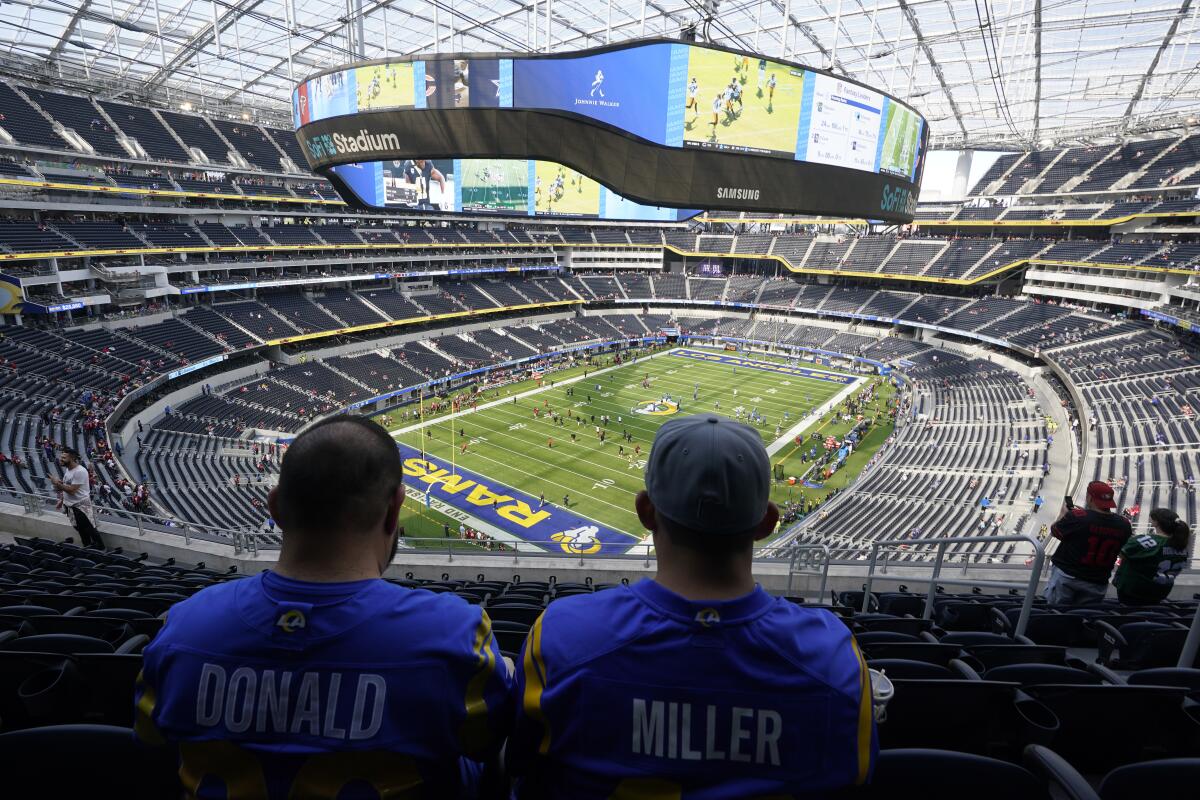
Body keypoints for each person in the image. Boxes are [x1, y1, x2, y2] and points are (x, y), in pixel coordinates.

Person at [134, 417, 512, 797]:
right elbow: (494, 748)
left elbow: (151, 751)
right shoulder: (455, 634)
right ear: (395, 510)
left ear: (276, 507)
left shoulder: (180, 630)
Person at [507, 415, 875, 797]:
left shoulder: (561, 635)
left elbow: (519, 763)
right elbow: (858, 775)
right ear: (767, 522)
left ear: (646, 511)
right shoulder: (834, 657)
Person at [1045, 481, 1132, 606]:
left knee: (1056, 614)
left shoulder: (1077, 517)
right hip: (1098, 581)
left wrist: (1063, 514)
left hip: (1068, 577)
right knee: (1084, 616)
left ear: (1089, 497)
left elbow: (1055, 531)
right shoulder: (1124, 524)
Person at [1112, 508, 1190, 605]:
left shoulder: (1146, 541)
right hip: (1159, 594)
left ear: (1156, 522)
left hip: (1133, 593)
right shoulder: (1182, 548)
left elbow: (1121, 553)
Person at [50, 448, 102, 549]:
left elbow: (72, 490)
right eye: (61, 457)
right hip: (71, 506)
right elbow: (67, 486)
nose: (61, 459)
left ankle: (101, 549)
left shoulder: (80, 471)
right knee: (81, 530)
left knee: (90, 529)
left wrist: (57, 483)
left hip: (80, 507)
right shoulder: (68, 470)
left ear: (72, 458)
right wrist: (61, 500)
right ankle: (87, 549)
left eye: (64, 457)